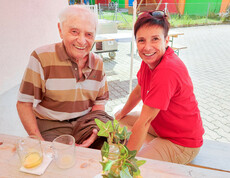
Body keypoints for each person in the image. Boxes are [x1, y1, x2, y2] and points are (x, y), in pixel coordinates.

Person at [115, 10, 204, 164]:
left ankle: (150, 150)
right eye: (141, 40)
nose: (147, 47)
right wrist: (121, 114)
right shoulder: (149, 61)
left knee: (135, 166)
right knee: (118, 119)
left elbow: (145, 121)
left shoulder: (167, 70)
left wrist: (124, 162)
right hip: (162, 127)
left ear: (166, 40)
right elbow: (138, 91)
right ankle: (150, 144)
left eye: (155, 39)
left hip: (182, 142)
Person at [17, 5, 109, 148]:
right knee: (57, 163)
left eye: (89, 34)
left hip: (85, 123)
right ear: (60, 30)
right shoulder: (41, 58)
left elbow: (99, 102)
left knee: (109, 152)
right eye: (74, 31)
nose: (82, 41)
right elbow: (24, 104)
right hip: (51, 125)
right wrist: (39, 141)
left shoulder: (98, 63)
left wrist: (94, 133)